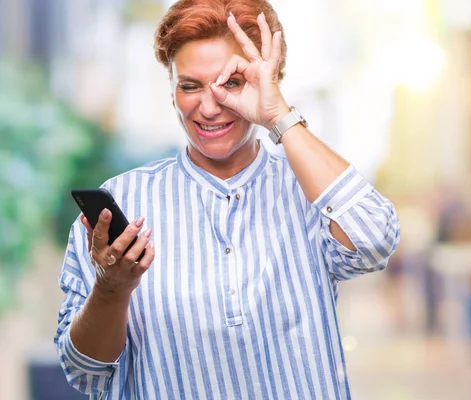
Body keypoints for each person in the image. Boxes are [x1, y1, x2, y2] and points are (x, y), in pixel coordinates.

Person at [54, 0, 400, 398]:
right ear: (171, 92)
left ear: (267, 81)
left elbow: (374, 243)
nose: (208, 106)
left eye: (231, 83)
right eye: (189, 86)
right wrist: (111, 289)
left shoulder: (310, 190)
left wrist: (278, 116)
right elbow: (85, 371)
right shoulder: (123, 202)